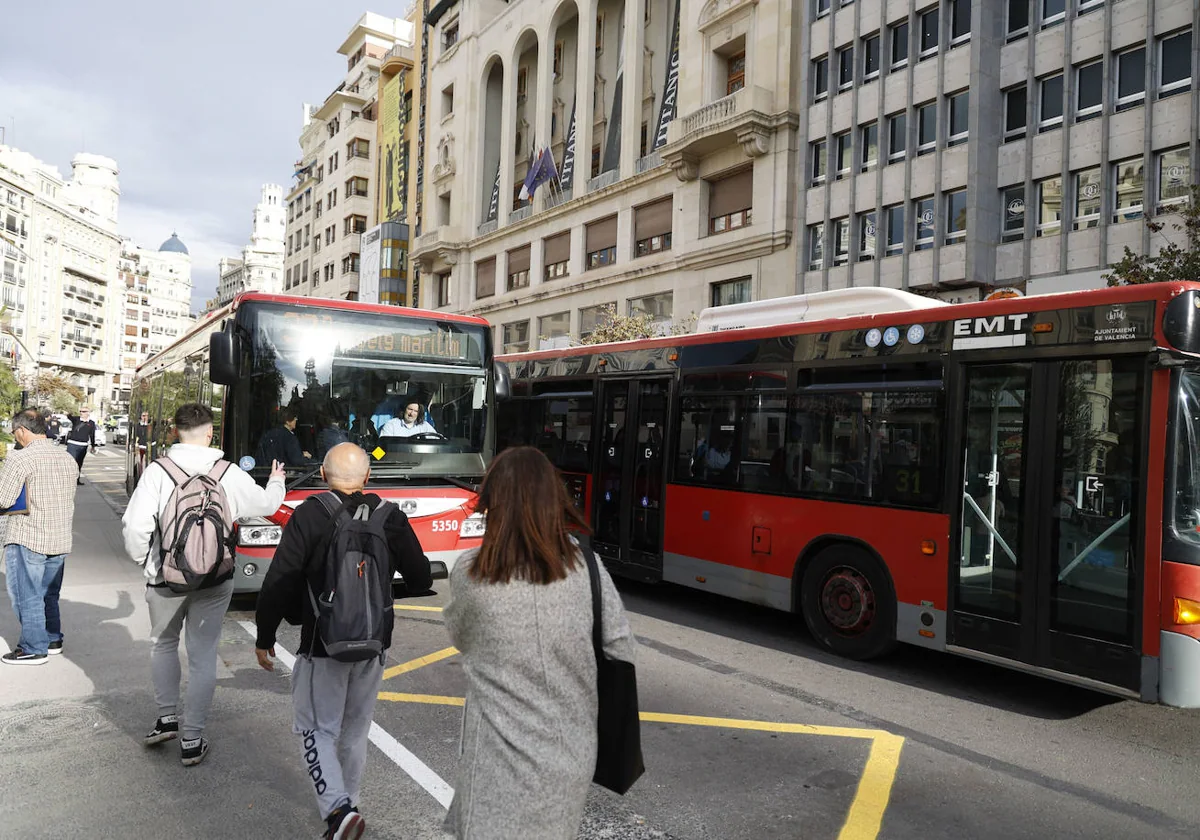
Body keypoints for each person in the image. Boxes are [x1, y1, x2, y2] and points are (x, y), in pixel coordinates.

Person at [443, 447, 637, 840]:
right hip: (570, 754)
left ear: (492, 502)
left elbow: (462, 637)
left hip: (495, 757)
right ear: (555, 499)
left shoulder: (470, 571)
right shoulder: (587, 568)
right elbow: (619, 649)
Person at [254, 443, 432, 840]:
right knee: (355, 730)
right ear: (368, 477)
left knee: (316, 728)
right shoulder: (390, 516)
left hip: (323, 646)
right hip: (374, 644)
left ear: (322, 472)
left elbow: (279, 579)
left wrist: (265, 635)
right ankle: (348, 805)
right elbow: (421, 579)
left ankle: (338, 812)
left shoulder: (310, 514)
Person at [122, 402, 287, 767]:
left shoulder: (157, 471)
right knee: (202, 656)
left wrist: (147, 565)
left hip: (165, 578)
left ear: (174, 432)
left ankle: (167, 717)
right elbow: (267, 504)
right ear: (210, 432)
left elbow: (135, 529)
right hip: (215, 577)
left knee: (163, 645)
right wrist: (276, 479)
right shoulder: (227, 472)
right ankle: (193, 739)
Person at [0, 408, 80, 665]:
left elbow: (4, 499)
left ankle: (33, 647)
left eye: (15, 433)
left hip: (28, 535)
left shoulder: (20, 459)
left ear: (22, 430)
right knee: (48, 593)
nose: (15, 438)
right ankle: (52, 638)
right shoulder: (66, 457)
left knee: (27, 594)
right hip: (59, 537)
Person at [65, 407, 97, 485]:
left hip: (83, 445)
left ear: (88, 413)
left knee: (79, 463)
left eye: (84, 411)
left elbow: (92, 435)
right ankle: (69, 480)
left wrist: (93, 446)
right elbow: (70, 417)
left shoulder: (91, 423)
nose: (82, 413)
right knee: (71, 462)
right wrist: (69, 413)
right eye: (81, 411)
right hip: (72, 444)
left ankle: (77, 480)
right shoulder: (76, 419)